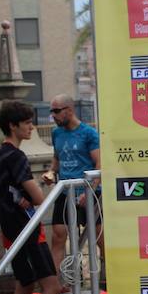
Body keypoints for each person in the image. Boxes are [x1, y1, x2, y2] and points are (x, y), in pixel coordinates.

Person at [0, 101, 62, 294]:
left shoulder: (1, 155)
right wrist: (40, 188)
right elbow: (36, 198)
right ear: (13, 125)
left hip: (11, 231)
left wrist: (28, 194)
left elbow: (16, 194)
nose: (32, 126)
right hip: (27, 230)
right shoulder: (16, 156)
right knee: (52, 287)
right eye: (27, 123)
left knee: (24, 285)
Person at [42, 94, 102, 274]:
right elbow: (57, 157)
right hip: (64, 191)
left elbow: (100, 164)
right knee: (58, 236)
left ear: (69, 110)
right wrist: (52, 172)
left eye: (57, 111)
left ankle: (111, 279)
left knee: (99, 237)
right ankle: (55, 282)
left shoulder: (88, 133)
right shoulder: (56, 133)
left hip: (89, 192)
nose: (53, 115)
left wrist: (90, 191)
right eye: (51, 111)